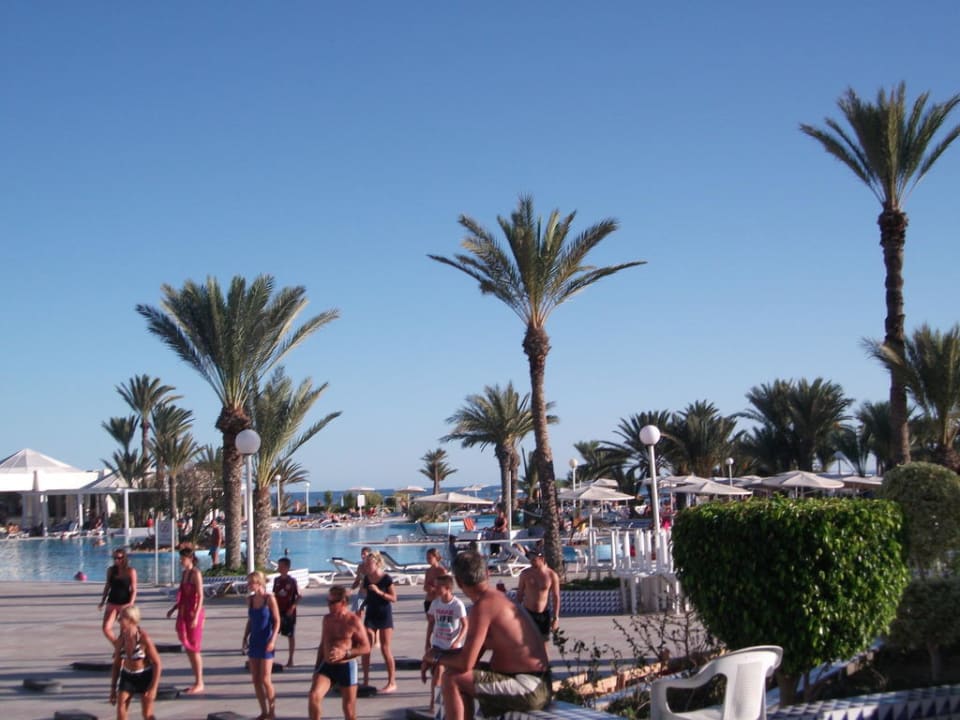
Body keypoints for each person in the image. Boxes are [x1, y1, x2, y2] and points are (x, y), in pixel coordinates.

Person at [424, 550, 550, 720]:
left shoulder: (483, 608)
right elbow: (470, 657)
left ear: (459, 583)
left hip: (530, 686)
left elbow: (465, 663)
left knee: (452, 678)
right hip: (537, 682)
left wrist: (434, 656)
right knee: (456, 673)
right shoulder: (498, 598)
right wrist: (438, 656)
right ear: (487, 574)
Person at [308, 585, 371, 720]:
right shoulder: (327, 619)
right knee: (314, 696)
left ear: (343, 603)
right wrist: (316, 669)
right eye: (328, 601)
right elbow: (322, 644)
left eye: (332, 602)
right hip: (327, 665)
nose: (329, 605)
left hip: (346, 666)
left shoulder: (353, 621)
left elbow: (366, 647)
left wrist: (345, 653)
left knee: (349, 710)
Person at [422, 574, 468, 715]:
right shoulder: (435, 603)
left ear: (447, 588)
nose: (435, 589)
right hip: (438, 643)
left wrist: (457, 641)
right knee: (437, 673)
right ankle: (433, 703)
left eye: (438, 586)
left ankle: (450, 703)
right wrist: (427, 641)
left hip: (451, 646)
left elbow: (465, 625)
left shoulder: (457, 604)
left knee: (448, 675)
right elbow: (431, 623)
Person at [110, 605, 162, 720]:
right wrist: (113, 688)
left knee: (147, 714)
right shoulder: (121, 639)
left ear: (131, 620)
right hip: (127, 676)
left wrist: (153, 688)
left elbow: (157, 663)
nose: (118, 620)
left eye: (122, 618)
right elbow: (117, 665)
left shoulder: (144, 639)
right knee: (121, 709)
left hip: (144, 676)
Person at [165, 545, 205, 694]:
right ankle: (196, 680)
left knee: (194, 648)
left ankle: (199, 682)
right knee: (188, 648)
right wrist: (173, 609)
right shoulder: (185, 574)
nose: (180, 561)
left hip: (194, 612)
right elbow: (182, 595)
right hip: (184, 611)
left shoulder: (195, 573)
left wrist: (196, 615)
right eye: (180, 558)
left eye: (182, 558)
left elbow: (200, 596)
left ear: (190, 559)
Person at [242, 571, 281, 720]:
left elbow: (277, 621)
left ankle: (272, 711)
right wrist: (245, 636)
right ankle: (263, 711)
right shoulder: (250, 600)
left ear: (258, 583)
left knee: (265, 678)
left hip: (266, 641)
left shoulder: (269, 598)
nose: (248, 585)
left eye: (250, 582)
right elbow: (251, 620)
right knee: (255, 679)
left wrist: (273, 640)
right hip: (254, 641)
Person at [360, 551, 397, 693]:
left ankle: (391, 682)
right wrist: (360, 606)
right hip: (371, 614)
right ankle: (365, 680)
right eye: (366, 565)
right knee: (366, 646)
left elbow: (394, 598)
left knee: (385, 649)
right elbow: (364, 595)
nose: (367, 567)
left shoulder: (386, 578)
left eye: (369, 564)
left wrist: (379, 592)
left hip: (384, 614)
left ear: (377, 564)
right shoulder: (367, 579)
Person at [516, 549, 561, 642]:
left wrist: (556, 618)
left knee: (543, 644)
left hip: (543, 615)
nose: (531, 563)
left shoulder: (551, 575)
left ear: (542, 559)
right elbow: (520, 594)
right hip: (527, 613)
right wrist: (515, 613)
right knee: (527, 643)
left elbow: (556, 597)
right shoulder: (525, 574)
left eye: (534, 560)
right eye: (530, 560)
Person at [99, 547, 138, 645]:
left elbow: (133, 589)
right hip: (112, 601)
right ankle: (118, 647)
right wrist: (102, 601)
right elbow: (107, 585)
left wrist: (131, 603)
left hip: (125, 603)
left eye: (119, 558)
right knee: (106, 628)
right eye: (115, 558)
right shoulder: (111, 570)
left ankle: (123, 651)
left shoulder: (130, 571)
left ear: (124, 559)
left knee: (125, 630)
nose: (117, 560)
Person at [272, 556, 301, 667]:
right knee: (273, 633)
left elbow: (299, 596)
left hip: (288, 612)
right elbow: (274, 594)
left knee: (290, 635)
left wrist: (292, 607)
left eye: (281, 566)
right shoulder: (277, 580)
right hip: (277, 610)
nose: (279, 568)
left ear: (287, 568)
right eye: (278, 566)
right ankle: (271, 658)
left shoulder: (292, 581)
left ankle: (291, 659)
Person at [422, 547, 447, 615]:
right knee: (430, 622)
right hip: (428, 600)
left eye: (430, 558)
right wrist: (427, 588)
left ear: (436, 557)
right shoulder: (428, 571)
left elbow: (447, 587)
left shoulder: (442, 571)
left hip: (438, 600)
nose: (428, 560)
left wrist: (434, 589)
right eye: (427, 558)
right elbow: (425, 586)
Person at [350, 546, 371, 614]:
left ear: (369, 554)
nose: (362, 556)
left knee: (372, 615)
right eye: (361, 554)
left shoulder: (374, 566)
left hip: (372, 594)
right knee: (358, 612)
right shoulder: (360, 567)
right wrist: (351, 589)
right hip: (361, 593)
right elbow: (357, 581)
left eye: (364, 554)